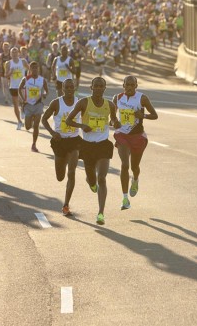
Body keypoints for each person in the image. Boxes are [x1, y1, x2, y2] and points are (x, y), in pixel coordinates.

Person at [65, 77, 120, 225]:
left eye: (101, 86)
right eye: (95, 86)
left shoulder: (109, 105)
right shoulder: (83, 103)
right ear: (91, 87)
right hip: (87, 146)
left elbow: (113, 120)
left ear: (104, 88)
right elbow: (69, 120)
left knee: (102, 178)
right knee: (92, 179)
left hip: (103, 145)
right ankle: (91, 182)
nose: (98, 88)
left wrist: (116, 122)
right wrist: (82, 126)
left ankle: (101, 213)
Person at [112, 76, 158, 210]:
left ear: (136, 86)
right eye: (127, 85)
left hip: (137, 137)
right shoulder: (117, 98)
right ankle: (125, 199)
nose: (129, 87)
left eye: (132, 85)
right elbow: (113, 117)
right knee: (125, 165)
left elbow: (154, 115)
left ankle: (136, 179)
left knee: (134, 167)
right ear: (123, 85)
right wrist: (114, 122)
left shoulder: (142, 98)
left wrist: (142, 115)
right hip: (122, 136)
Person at [41, 78, 81, 216]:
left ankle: (66, 205)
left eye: (72, 87)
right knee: (60, 176)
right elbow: (44, 119)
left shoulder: (79, 103)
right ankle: (63, 163)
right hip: (59, 141)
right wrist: (52, 133)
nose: (69, 90)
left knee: (72, 172)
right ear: (63, 89)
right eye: (67, 88)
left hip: (74, 140)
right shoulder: (56, 103)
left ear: (75, 88)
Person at [18, 61, 49, 152]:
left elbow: (46, 91)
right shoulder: (26, 79)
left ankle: (34, 144)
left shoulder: (42, 80)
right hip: (28, 105)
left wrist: (44, 94)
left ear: (38, 69)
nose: (35, 69)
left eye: (36, 68)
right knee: (28, 127)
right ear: (30, 69)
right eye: (33, 68)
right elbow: (19, 89)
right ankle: (30, 120)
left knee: (36, 125)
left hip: (38, 104)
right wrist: (23, 99)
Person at [5, 47, 29, 130]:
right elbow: (6, 75)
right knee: (15, 104)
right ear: (10, 54)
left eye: (16, 52)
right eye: (12, 53)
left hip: (22, 85)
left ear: (18, 53)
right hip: (13, 86)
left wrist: (27, 79)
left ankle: (22, 110)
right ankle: (19, 121)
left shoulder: (23, 61)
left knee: (22, 101)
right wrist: (10, 72)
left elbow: (30, 69)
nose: (14, 54)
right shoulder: (8, 63)